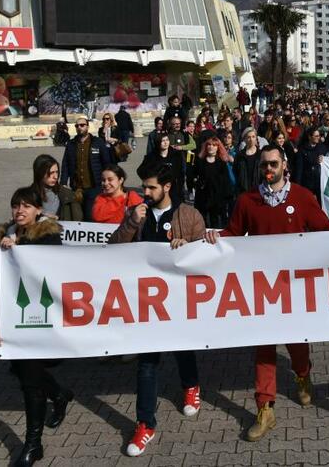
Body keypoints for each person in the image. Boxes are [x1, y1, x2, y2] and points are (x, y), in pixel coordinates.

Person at [203, 145, 329, 442]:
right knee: (264, 348)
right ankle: (265, 407)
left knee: (297, 343)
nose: (268, 169)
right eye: (263, 165)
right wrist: (215, 236)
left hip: (293, 288)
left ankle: (302, 374)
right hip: (262, 289)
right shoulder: (247, 200)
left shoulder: (302, 197)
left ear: (284, 164)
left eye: (273, 164)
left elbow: (324, 227)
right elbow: (234, 232)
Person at [110, 163, 207, 456]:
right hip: (146, 302)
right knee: (147, 363)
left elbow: (206, 253)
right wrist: (129, 223)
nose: (145, 193)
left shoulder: (188, 214)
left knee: (182, 348)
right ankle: (145, 424)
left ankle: (191, 385)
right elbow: (112, 249)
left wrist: (188, 244)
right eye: (144, 187)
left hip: (178, 300)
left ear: (167, 187)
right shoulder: (136, 215)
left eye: (151, 187)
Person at [0, 187, 70, 466]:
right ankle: (59, 394)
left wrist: (18, 250)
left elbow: (49, 268)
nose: (20, 210)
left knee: (30, 382)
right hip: (13, 319)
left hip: (39, 319)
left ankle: (33, 445)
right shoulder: (5, 237)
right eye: (15, 205)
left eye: (27, 206)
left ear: (38, 210)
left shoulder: (48, 235)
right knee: (24, 373)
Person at [59, 117, 113, 203]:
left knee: (90, 214)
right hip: (77, 188)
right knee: (77, 215)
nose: (79, 127)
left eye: (82, 125)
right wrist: (63, 183)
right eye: (77, 126)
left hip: (94, 186)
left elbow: (106, 163)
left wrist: (108, 182)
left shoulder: (97, 142)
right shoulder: (71, 144)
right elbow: (65, 164)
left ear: (87, 127)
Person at [189, 136, 233, 229]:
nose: (211, 147)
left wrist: (226, 197)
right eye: (209, 144)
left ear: (218, 148)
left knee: (216, 223)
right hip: (202, 197)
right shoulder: (200, 161)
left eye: (214, 145)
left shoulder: (221, 163)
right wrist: (196, 182)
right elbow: (192, 175)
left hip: (217, 198)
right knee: (202, 222)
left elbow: (226, 181)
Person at [139, 132, 187, 204]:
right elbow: (140, 171)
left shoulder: (176, 155)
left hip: (173, 187)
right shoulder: (151, 156)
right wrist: (150, 180)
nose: (165, 143)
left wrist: (180, 187)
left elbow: (180, 172)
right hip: (157, 187)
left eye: (167, 140)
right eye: (163, 141)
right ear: (158, 142)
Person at [31, 154, 82, 221]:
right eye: (51, 173)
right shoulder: (27, 197)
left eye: (57, 172)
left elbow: (78, 223)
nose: (55, 177)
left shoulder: (69, 196)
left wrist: (59, 218)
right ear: (40, 173)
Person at [233, 127, 263, 195]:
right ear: (245, 139)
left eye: (253, 137)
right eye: (248, 137)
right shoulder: (239, 156)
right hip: (243, 191)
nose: (251, 139)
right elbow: (235, 172)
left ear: (256, 138)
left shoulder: (261, 154)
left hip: (259, 190)